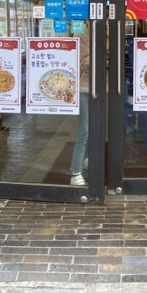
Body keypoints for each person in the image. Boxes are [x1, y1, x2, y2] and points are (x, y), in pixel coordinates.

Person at [70, 26, 91, 185]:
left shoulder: (107, 31)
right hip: (83, 89)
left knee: (95, 129)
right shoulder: (80, 34)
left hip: (99, 89)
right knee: (84, 130)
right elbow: (84, 64)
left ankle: (87, 159)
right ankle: (75, 172)